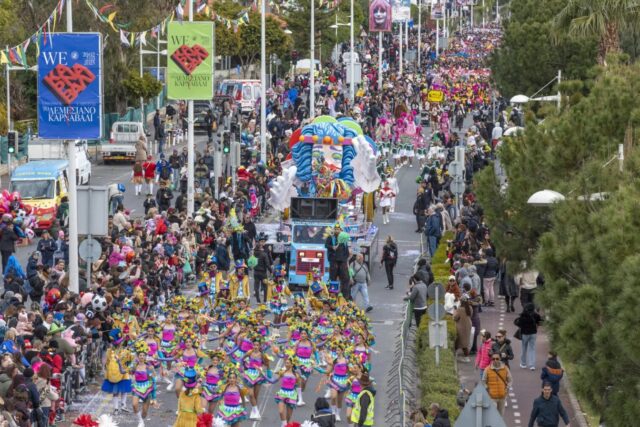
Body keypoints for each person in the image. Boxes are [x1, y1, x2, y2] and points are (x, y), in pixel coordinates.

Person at [514, 303, 543, 370]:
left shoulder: (523, 315)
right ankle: (532, 365)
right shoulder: (536, 315)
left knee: (524, 349)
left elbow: (518, 324)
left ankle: (523, 363)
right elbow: (540, 323)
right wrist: (536, 327)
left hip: (524, 334)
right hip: (533, 334)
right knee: (532, 349)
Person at [453, 297, 472, 363]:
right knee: (465, 342)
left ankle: (456, 356)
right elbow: (470, 315)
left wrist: (455, 310)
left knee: (458, 341)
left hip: (460, 327)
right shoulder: (469, 308)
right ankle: (466, 357)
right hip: (468, 326)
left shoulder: (459, 309)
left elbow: (455, 318)